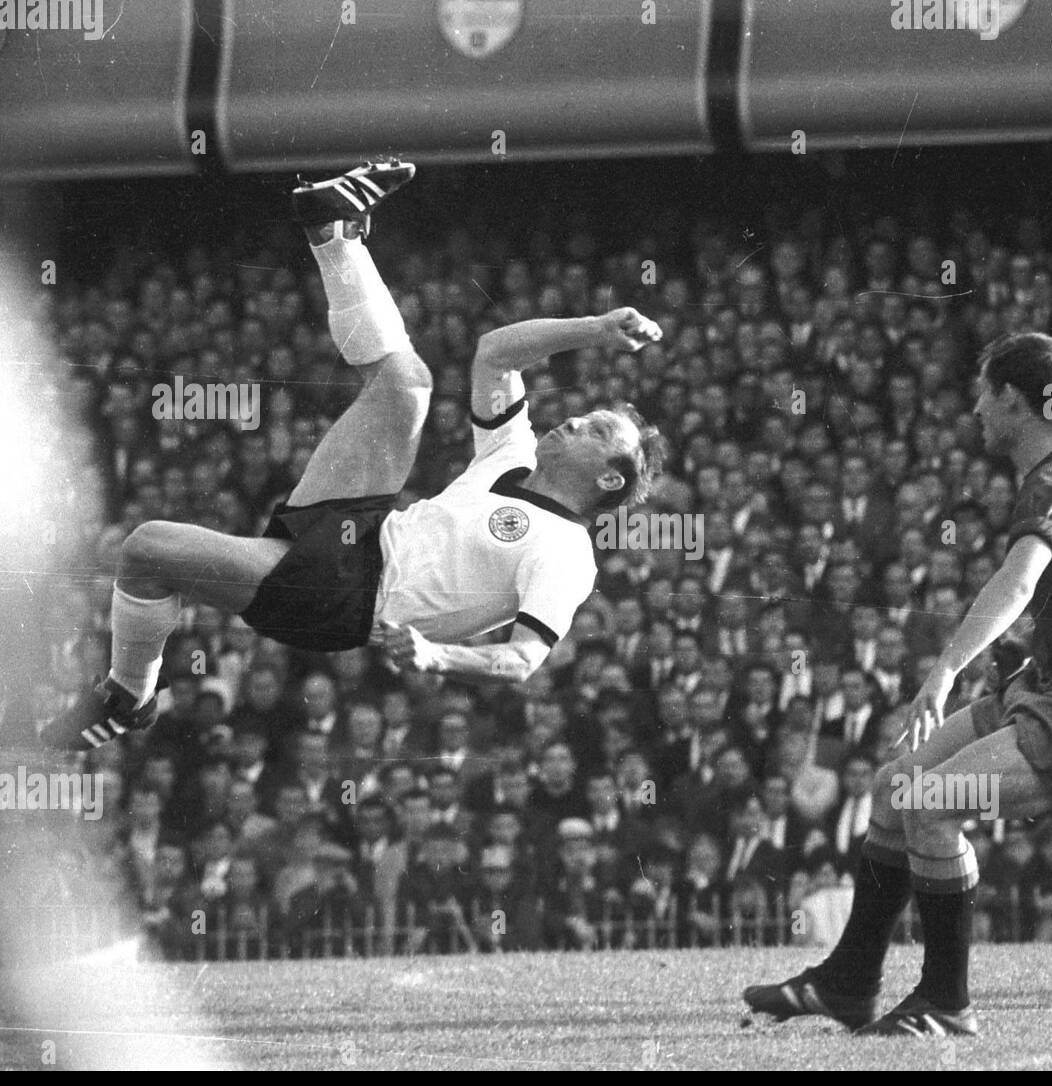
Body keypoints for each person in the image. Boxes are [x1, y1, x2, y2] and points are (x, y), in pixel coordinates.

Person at [44, 159, 666, 751]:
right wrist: (595, 327)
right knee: (408, 386)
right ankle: (331, 230)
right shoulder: (514, 456)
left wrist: (436, 656)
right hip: (362, 530)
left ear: (610, 476)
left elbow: (522, 658)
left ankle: (129, 698)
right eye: (588, 417)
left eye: (596, 431)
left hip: (348, 597)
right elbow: (495, 352)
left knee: (148, 549)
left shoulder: (566, 553)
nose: (577, 420)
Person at [744, 332, 1052, 1035]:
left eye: (983, 394)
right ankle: (849, 983)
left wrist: (945, 671)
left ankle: (948, 1001)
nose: (974, 408)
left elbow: (1020, 579)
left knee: (932, 805)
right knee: (893, 787)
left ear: (1011, 399)